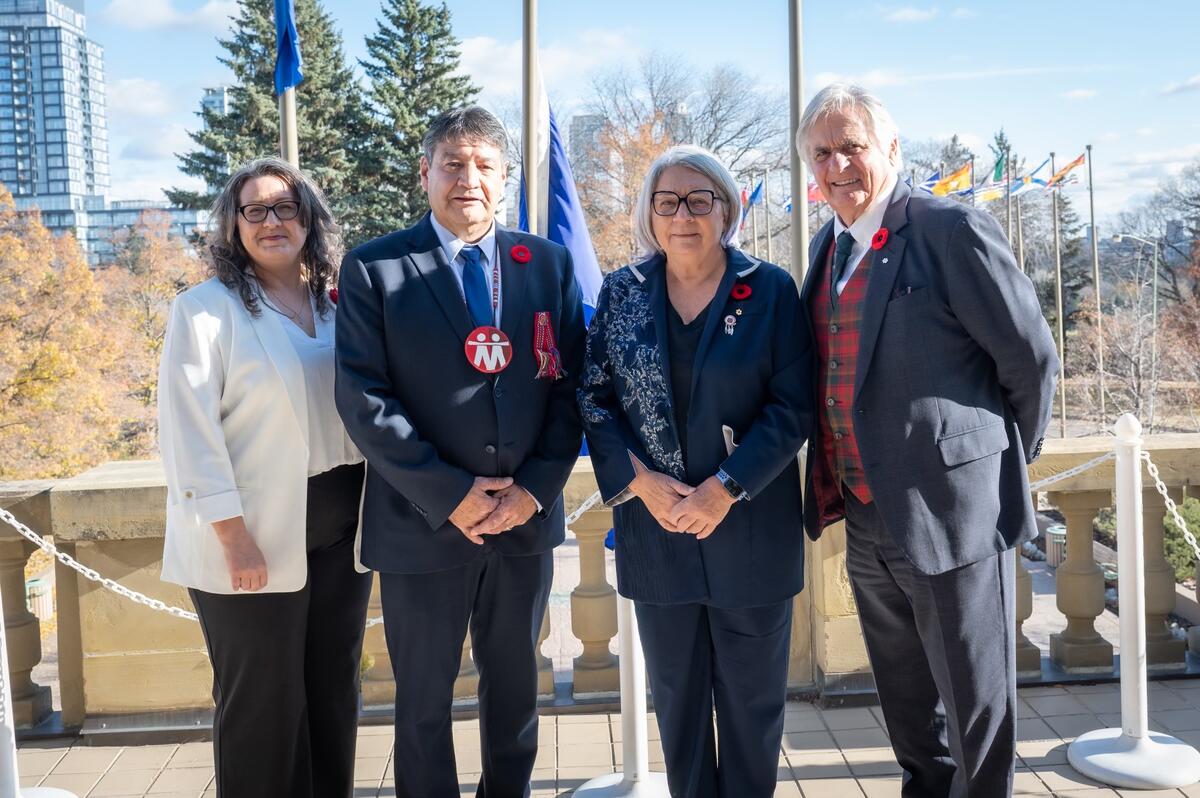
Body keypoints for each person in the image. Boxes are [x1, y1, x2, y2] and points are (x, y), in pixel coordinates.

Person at [795, 83, 1059, 797]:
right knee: (910, 713)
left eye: (852, 146)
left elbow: (1028, 359)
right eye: (821, 153)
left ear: (891, 149)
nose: (837, 165)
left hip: (954, 516)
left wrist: (993, 466)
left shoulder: (949, 230)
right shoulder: (829, 246)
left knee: (976, 715)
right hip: (866, 518)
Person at [334, 105, 586, 798]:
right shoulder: (374, 269)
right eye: (452, 164)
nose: (467, 179)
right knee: (421, 705)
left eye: (483, 166)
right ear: (426, 174)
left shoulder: (547, 265)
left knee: (516, 699)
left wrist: (532, 489)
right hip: (423, 525)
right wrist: (453, 495)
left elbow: (572, 390)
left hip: (523, 524)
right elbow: (363, 399)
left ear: (503, 179)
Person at [578, 144, 811, 798]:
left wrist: (725, 488)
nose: (683, 214)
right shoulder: (622, 293)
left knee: (751, 707)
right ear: (650, 214)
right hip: (656, 532)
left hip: (750, 531)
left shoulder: (768, 290)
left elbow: (792, 408)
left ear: (728, 210)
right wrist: (642, 483)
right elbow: (593, 398)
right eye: (667, 201)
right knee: (677, 705)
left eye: (699, 200)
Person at [157, 157, 370, 798]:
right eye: (256, 209)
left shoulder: (339, 306)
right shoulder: (203, 312)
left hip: (341, 539)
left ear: (310, 219)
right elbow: (188, 435)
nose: (272, 221)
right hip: (249, 538)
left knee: (333, 695)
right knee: (263, 708)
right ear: (234, 225)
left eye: (287, 207)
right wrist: (231, 535)